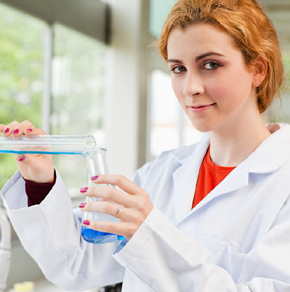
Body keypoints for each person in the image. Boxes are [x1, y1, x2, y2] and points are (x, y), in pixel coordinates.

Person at [1, 0, 290, 291]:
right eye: (178, 69)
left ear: (257, 70)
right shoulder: (161, 173)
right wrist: (40, 180)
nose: (190, 88)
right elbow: (80, 264)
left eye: (210, 65)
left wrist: (150, 236)